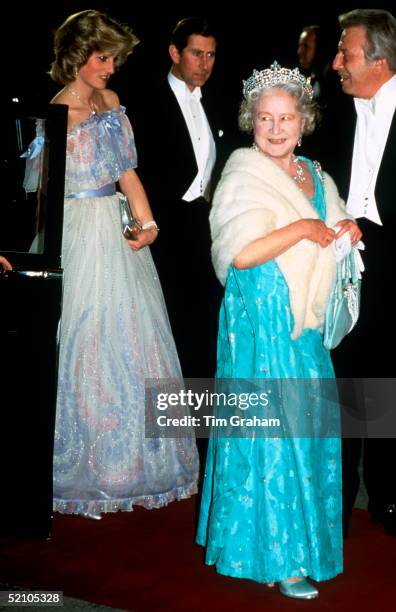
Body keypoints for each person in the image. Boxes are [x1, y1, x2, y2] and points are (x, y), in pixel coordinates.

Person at [196, 62, 362, 599]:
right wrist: (302, 229)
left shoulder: (315, 173)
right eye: (264, 118)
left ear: (303, 121)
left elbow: (332, 234)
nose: (274, 128)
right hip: (259, 322)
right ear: (250, 121)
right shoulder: (242, 170)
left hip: (303, 327)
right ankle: (277, 559)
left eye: (285, 118)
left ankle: (302, 549)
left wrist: (346, 229)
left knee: (307, 433)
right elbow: (239, 254)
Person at [47, 10, 198, 518]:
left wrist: (148, 222)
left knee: (135, 338)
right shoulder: (58, 113)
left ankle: (138, 460)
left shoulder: (112, 103)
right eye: (102, 57)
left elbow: (127, 174)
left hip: (116, 229)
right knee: (86, 338)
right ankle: (85, 464)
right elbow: (39, 190)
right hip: (78, 231)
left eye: (115, 58)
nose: (111, 67)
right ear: (77, 55)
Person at [330, 8, 396, 537]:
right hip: (345, 268)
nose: (336, 64)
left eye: (345, 53)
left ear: (377, 59)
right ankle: (344, 493)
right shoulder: (337, 110)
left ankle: (389, 494)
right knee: (352, 381)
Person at [132, 17, 226, 378]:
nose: (205, 64)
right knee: (167, 331)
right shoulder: (145, 99)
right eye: (197, 53)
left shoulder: (217, 100)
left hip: (206, 231)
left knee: (205, 329)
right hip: (163, 233)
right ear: (174, 52)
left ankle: (200, 427)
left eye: (212, 55)